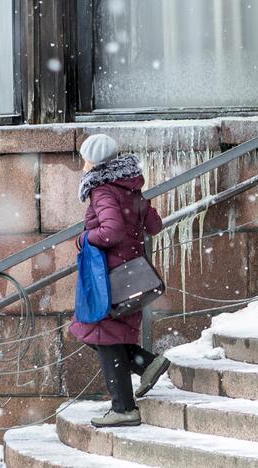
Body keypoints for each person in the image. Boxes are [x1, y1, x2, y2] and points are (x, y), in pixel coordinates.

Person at [69, 134, 170, 428]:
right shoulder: (130, 186)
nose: (83, 163)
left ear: (94, 161)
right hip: (132, 273)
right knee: (106, 334)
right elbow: (155, 225)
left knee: (99, 332)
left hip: (110, 277)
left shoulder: (102, 190)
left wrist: (85, 237)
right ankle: (144, 364)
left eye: (85, 157)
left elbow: (111, 232)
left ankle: (125, 407)